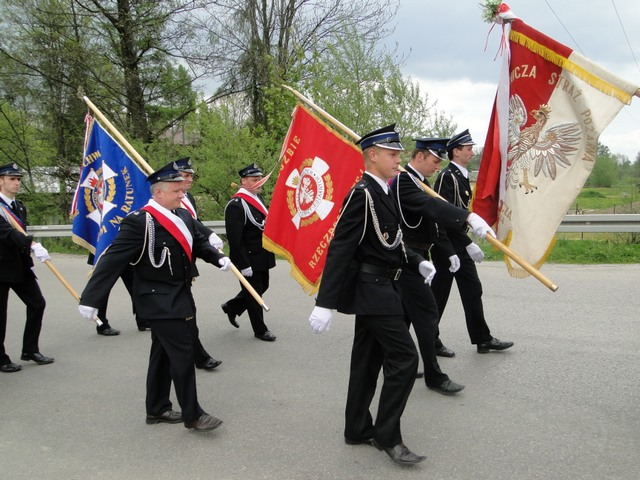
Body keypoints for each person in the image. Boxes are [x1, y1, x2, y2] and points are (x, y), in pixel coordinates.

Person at [307, 125, 435, 465]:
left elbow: (390, 242)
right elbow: (341, 248)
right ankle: (387, 436)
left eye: (398, 154)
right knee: (405, 359)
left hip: (382, 287)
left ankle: (357, 427)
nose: (398, 160)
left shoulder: (383, 192)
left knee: (366, 361)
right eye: (392, 154)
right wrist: (325, 303)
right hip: (374, 291)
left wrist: (417, 261)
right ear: (373, 155)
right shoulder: (362, 194)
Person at [78, 163, 232, 432]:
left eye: (182, 190)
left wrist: (217, 257)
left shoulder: (182, 215)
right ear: (158, 192)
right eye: (176, 191)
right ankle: (193, 414)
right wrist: (91, 299)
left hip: (180, 295)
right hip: (158, 301)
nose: (182, 195)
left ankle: (157, 408)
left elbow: (198, 242)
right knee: (183, 353)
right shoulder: (140, 222)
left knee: (162, 354)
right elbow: (112, 260)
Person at [390, 137, 496, 394]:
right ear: (420, 157)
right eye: (435, 161)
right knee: (426, 313)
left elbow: (434, 222)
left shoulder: (421, 182)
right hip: (406, 256)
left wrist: (449, 251)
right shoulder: (404, 181)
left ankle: (395, 361)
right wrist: (467, 217)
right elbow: (431, 206)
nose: (438, 166)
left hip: (419, 256)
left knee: (404, 315)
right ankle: (433, 375)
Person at [431, 129, 514, 355]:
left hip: (459, 244)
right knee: (439, 295)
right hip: (446, 247)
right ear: (456, 152)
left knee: (472, 290)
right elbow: (444, 215)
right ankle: (431, 341)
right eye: (468, 149)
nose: (472, 152)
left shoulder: (461, 176)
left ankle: (482, 338)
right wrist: (466, 242)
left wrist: (466, 242)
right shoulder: (447, 177)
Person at [0, 162, 54, 373]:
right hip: (1, 268)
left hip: (20, 266)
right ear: (1, 181)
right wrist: (32, 244)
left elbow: (18, 233)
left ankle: (30, 349)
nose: (16, 183)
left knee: (37, 303)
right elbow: (8, 234)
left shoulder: (19, 206)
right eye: (12, 179)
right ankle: (1, 358)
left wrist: (30, 247)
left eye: (18, 179)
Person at [173, 157, 223, 370]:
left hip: (189, 259)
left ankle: (186, 353)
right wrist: (208, 234)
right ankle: (197, 356)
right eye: (185, 175)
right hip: (175, 263)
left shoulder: (189, 198)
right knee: (186, 312)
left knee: (185, 311)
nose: (190, 179)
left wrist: (209, 238)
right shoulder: (169, 202)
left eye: (191, 175)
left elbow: (194, 223)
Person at [222, 163, 276, 342]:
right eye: (254, 180)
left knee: (263, 286)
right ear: (243, 181)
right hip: (249, 258)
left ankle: (232, 307)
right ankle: (260, 330)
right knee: (254, 294)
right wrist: (243, 264)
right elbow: (235, 239)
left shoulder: (257, 200)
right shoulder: (236, 205)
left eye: (259, 179)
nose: (258, 182)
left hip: (262, 255)